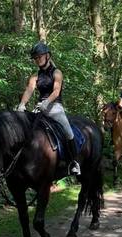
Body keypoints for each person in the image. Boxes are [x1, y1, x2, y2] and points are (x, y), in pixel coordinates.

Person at [17, 41, 80, 175]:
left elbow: (56, 91)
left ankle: (74, 162)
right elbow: (29, 90)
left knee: (69, 132)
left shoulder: (57, 73)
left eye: (39, 56)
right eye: (35, 58)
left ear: (47, 56)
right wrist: (22, 104)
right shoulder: (35, 76)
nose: (37, 60)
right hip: (40, 108)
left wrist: (47, 102)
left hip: (55, 107)